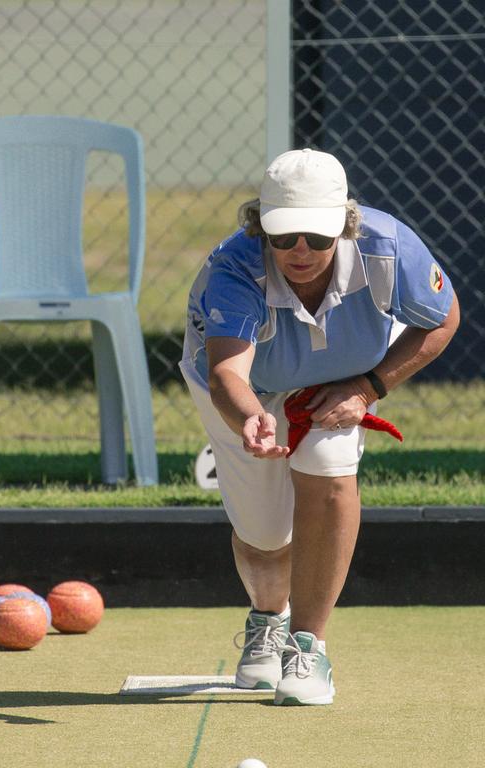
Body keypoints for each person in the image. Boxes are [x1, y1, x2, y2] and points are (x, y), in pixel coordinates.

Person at [180, 149, 459, 704]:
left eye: (316, 235)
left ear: (345, 225)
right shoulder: (235, 267)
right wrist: (253, 418)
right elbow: (226, 374)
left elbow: (443, 318)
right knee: (263, 534)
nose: (300, 251)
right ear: (260, 228)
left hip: (339, 380)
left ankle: (308, 648)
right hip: (246, 390)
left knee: (330, 467)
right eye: (283, 237)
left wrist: (368, 387)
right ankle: (268, 620)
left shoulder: (389, 248)